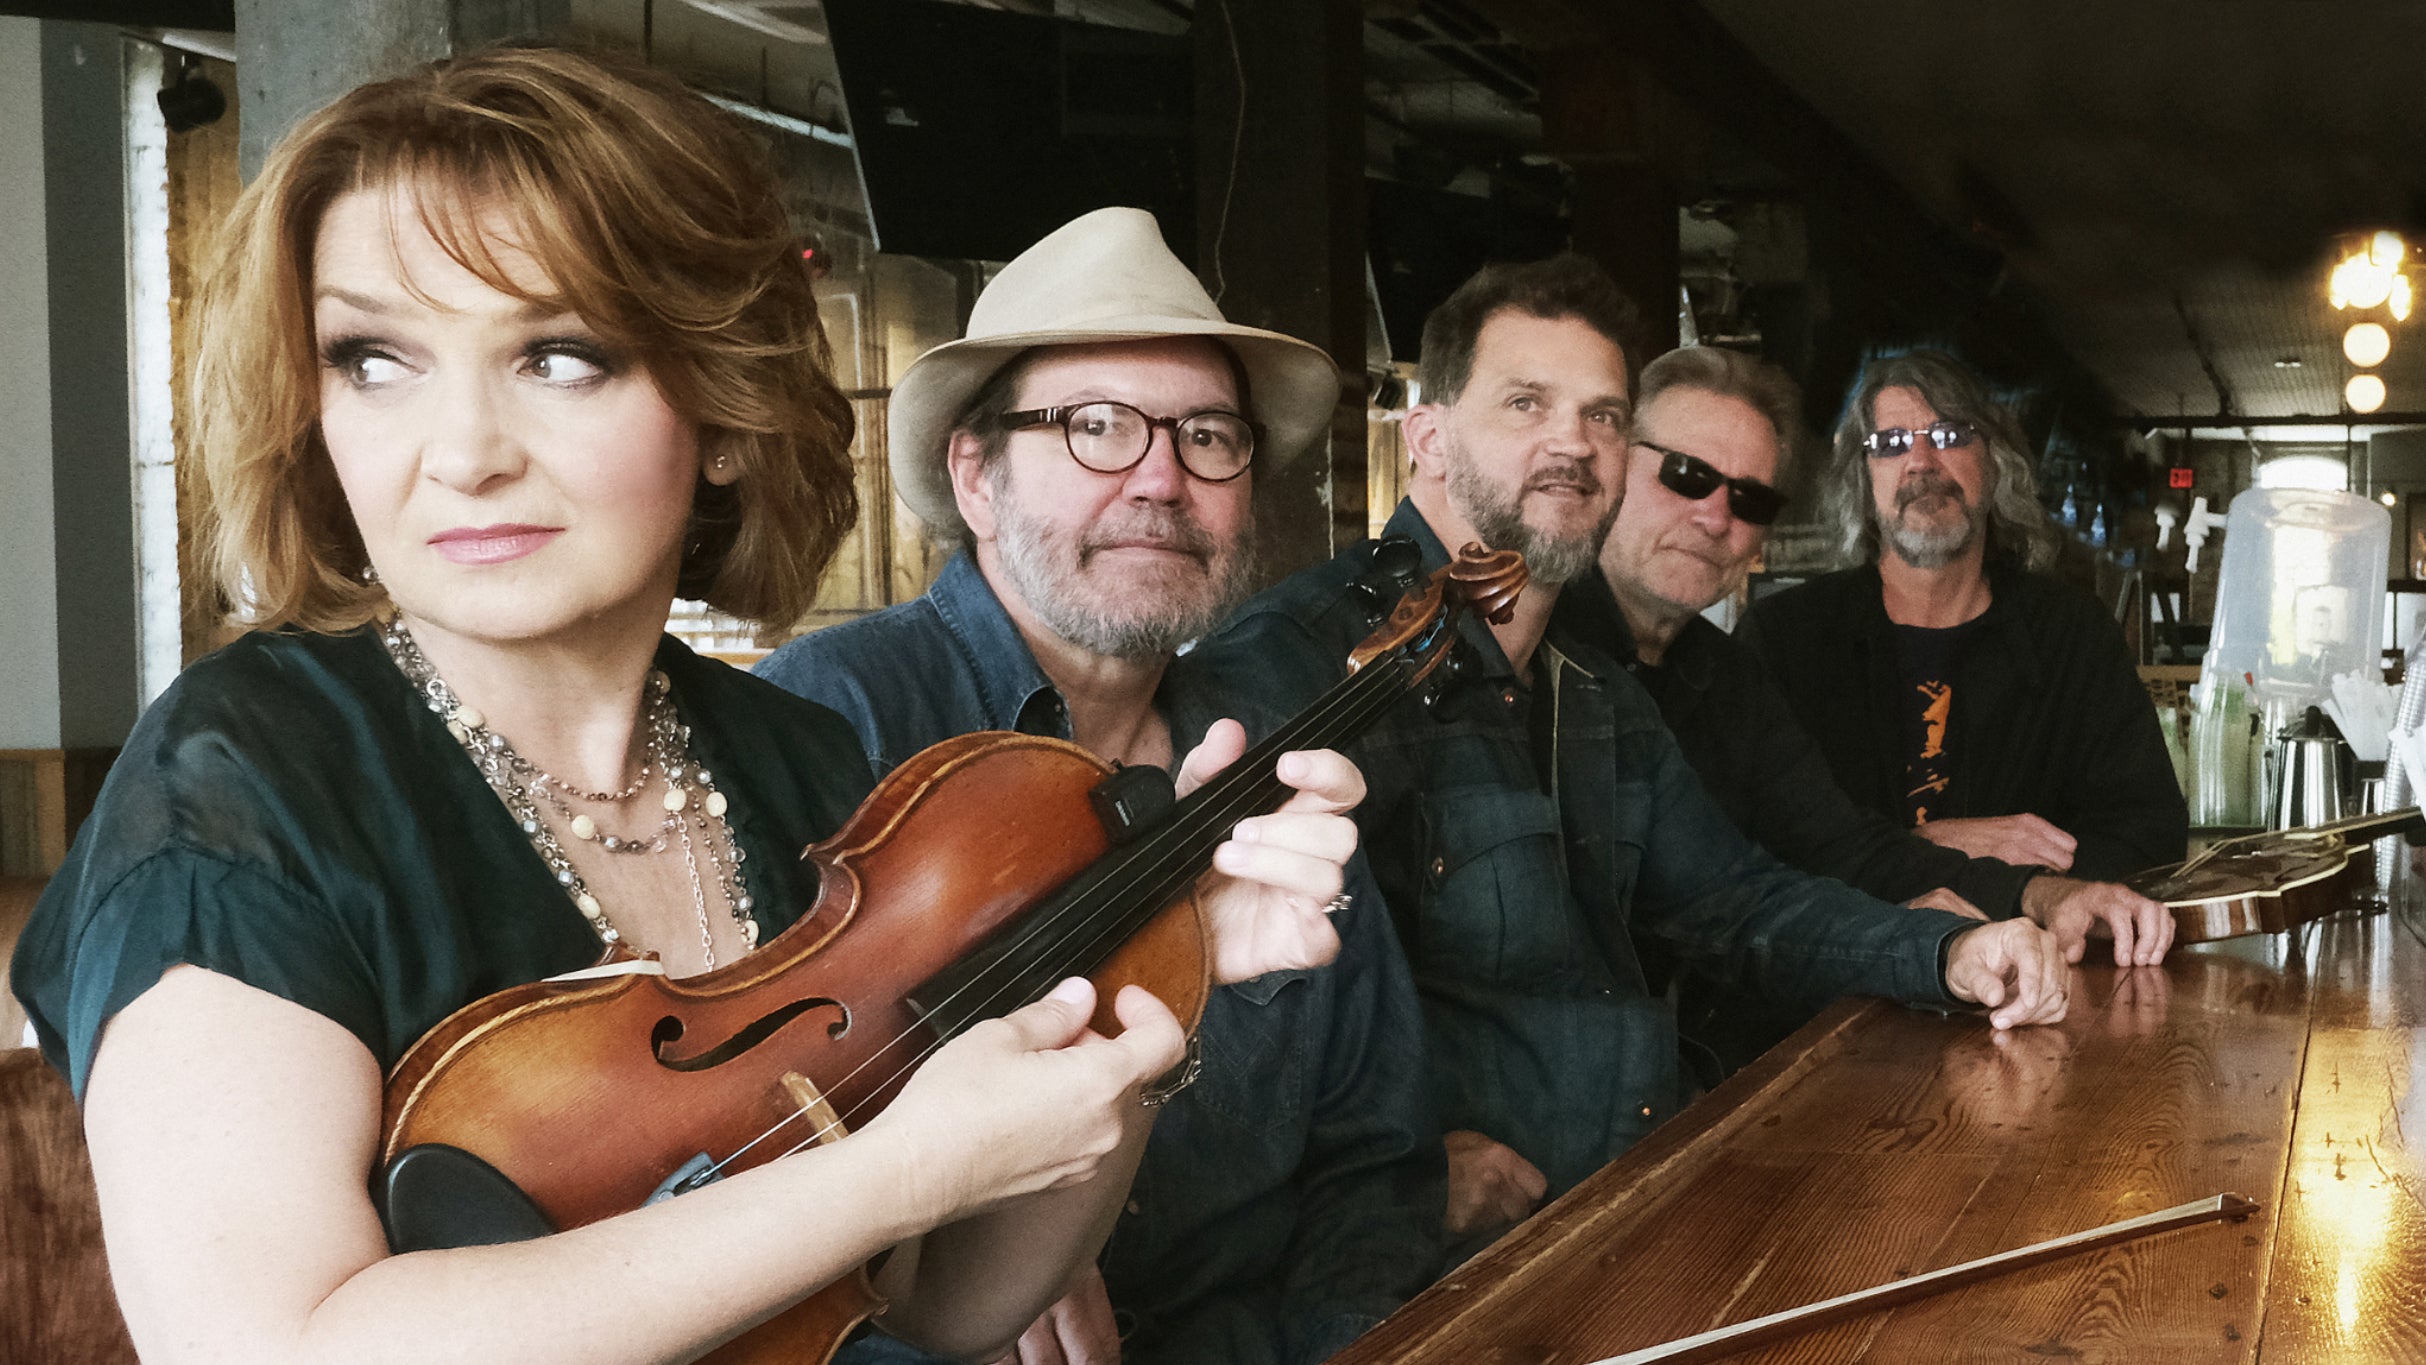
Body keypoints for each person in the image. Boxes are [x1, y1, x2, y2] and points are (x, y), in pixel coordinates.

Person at [6, 47, 1361, 1365]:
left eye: (559, 356)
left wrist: (1136, 976)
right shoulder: (241, 780)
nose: (462, 453)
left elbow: (940, 1300)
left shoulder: (789, 757)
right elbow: (271, 1343)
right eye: (375, 358)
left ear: (723, 407)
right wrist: (899, 1171)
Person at [1187, 255, 2072, 1250]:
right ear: (1427, 438)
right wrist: (1398, 1174)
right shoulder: (1297, 662)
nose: (1571, 443)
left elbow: (1739, 899)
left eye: (1602, 416)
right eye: (1526, 403)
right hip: (1429, 1274)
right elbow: (1225, 1011)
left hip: (1620, 1202)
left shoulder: (1592, 685)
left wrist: (1948, 955)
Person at [756, 207, 1441, 1365]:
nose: (1162, 481)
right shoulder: (827, 722)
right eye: (1094, 428)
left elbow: (1374, 1159)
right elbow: (748, 1185)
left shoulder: (1272, 757)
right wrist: (1002, 1274)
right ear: (973, 475)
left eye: (1208, 437)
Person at [1574, 345, 2173, 1072]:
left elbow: (1787, 876)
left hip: (2004, 1017)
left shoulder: (1717, 670)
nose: (1713, 515)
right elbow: (1763, 884)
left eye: (1750, 497)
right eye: (1687, 475)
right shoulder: (1544, 648)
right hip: (1786, 1044)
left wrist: (2037, 901)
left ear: (1998, 461)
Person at [1737, 349, 2189, 883]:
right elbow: (1746, 849)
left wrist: (2034, 897)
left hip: (2034, 959)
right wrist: (1927, 848)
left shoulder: (2073, 637)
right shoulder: (1786, 638)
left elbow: (2150, 835)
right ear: (1864, 479)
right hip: (1843, 965)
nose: (1922, 462)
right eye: (1890, 444)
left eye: (1950, 436)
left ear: (1995, 464)